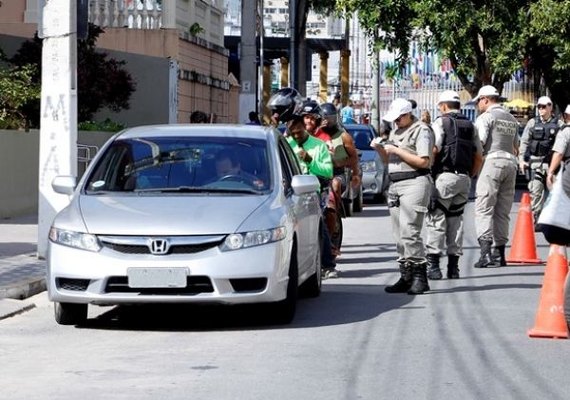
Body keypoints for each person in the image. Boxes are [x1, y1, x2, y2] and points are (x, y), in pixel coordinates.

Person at [371, 98, 435, 294]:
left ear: (408, 114)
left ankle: (419, 276)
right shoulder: (395, 131)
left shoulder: (421, 130)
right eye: (394, 120)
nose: (396, 122)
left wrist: (397, 149)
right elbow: (388, 160)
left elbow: (424, 161)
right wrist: (381, 148)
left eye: (399, 118)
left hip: (415, 182)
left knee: (410, 231)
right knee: (399, 235)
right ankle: (405, 275)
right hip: (395, 184)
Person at [425, 90, 483, 280]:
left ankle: (433, 266)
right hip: (464, 179)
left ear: (443, 106)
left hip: (445, 177)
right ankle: (453, 268)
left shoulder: (441, 122)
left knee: (437, 219)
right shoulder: (471, 125)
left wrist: (429, 173)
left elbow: (435, 149)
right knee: (456, 221)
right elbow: (479, 156)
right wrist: (470, 175)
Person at [472, 85, 520, 268]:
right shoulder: (511, 119)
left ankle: (485, 254)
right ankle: (500, 253)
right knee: (503, 211)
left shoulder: (486, 117)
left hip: (491, 162)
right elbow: (516, 146)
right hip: (510, 164)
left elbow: (480, 143)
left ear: (485, 99)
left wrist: (473, 168)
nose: (478, 104)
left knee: (484, 207)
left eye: (478, 100)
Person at [286, 116, 337, 278]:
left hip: (314, 191)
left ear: (304, 127)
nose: (296, 136)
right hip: (291, 193)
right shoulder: (287, 145)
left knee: (318, 226)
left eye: (299, 132)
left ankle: (328, 264)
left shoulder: (319, 145)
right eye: (293, 133)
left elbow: (327, 172)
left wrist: (310, 160)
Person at [318, 102, 361, 257]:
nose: (326, 122)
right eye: (324, 118)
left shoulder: (343, 136)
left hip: (337, 173)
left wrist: (354, 173)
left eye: (330, 118)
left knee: (335, 184)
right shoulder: (314, 134)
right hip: (318, 174)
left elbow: (354, 158)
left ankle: (333, 215)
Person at [518, 96, 564, 224]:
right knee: (536, 190)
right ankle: (536, 217)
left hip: (553, 165)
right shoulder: (532, 123)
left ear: (550, 107)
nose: (541, 109)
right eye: (539, 106)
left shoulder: (559, 124)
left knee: (555, 192)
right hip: (536, 163)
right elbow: (524, 142)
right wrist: (521, 160)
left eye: (544, 106)